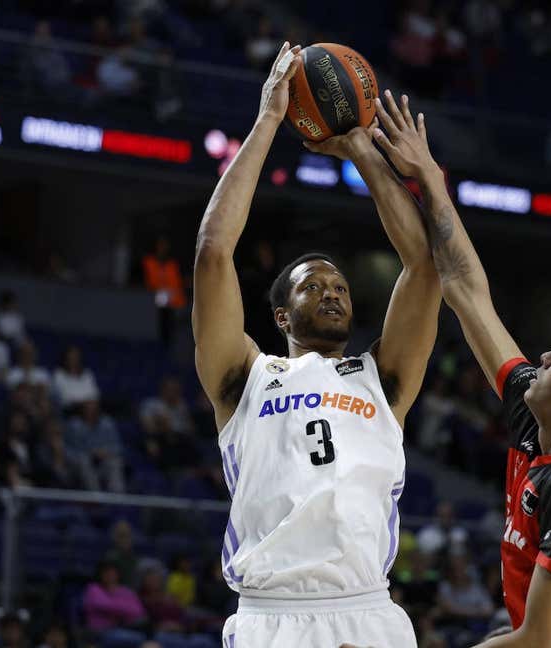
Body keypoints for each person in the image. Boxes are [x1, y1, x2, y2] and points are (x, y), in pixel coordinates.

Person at [369, 91, 551, 647]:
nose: (544, 357)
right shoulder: (539, 413)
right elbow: (465, 291)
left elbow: (536, 642)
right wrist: (429, 179)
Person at [192, 43, 439, 648]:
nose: (331, 292)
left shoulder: (382, 378)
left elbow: (425, 267)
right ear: (281, 313)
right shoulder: (245, 376)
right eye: (313, 285)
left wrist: (360, 149)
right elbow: (213, 253)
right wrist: (268, 121)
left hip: (366, 611)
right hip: (269, 615)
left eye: (340, 285)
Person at [65, 399, 124, 493]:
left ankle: (117, 497)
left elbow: (117, 447)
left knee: (114, 462)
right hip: (82, 463)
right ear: (82, 410)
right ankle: (95, 497)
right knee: (83, 462)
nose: (90, 411)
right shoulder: (74, 426)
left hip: (104, 460)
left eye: (93, 408)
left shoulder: (107, 423)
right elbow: (69, 450)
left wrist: (106, 452)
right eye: (87, 409)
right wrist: (90, 453)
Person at [82, 561, 146, 644]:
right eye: (107, 572)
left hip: (122, 628)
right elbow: (103, 605)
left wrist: (115, 603)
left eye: (113, 573)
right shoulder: (93, 588)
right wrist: (124, 606)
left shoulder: (125, 590)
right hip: (99, 631)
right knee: (138, 639)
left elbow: (138, 611)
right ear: (100, 574)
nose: (110, 575)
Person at [143, 236, 187, 345]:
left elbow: (180, 283)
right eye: (160, 245)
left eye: (165, 245)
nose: (162, 248)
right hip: (153, 305)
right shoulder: (148, 262)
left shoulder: (173, 264)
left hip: (175, 305)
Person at [52, 346, 99, 411]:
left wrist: (88, 403)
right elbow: (64, 399)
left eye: (76, 357)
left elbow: (95, 395)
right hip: (70, 411)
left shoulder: (88, 374)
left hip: (90, 409)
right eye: (71, 357)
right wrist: (84, 403)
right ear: (65, 358)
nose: (74, 359)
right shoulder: (59, 374)